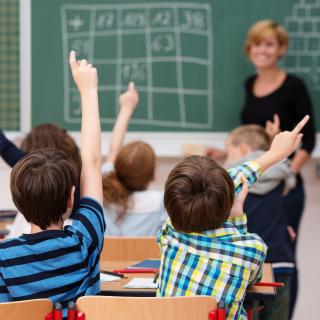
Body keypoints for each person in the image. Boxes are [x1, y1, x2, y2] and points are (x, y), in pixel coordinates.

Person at [157, 116, 309, 320]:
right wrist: (238, 219)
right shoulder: (251, 250)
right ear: (226, 200)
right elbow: (252, 277)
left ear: (171, 203)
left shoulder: (169, 234)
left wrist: (273, 154)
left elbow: (231, 179)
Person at [0, 51, 104, 317]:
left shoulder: (4, 258)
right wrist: (88, 92)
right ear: (72, 199)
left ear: (18, 202)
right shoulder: (85, 242)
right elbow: (91, 162)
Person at [241, 20, 316, 317]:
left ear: (280, 49)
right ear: (250, 49)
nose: (263, 50)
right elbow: (253, 134)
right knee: (255, 254)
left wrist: (285, 172)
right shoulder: (249, 84)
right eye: (258, 44)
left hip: (284, 187)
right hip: (255, 186)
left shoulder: (294, 86)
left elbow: (308, 141)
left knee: (283, 259)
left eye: (269, 44)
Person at [225, 124, 295, 320]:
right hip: (281, 258)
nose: (225, 155)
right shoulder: (281, 175)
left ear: (243, 149)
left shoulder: (229, 181)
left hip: (247, 264)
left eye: (228, 148)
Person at [102, 82, 166, 236]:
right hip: (146, 261)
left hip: (106, 259)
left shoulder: (104, 190)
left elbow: (113, 149)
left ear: (117, 168)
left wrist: (126, 109)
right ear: (153, 175)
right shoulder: (159, 202)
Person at [0, 124, 81, 238]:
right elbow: (94, 161)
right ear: (70, 198)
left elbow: (5, 147)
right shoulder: (83, 243)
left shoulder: (7, 251)